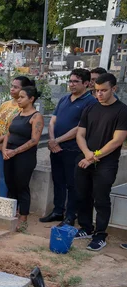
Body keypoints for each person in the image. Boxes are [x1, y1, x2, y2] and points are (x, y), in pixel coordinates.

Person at [74, 73, 127, 251]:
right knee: (82, 195)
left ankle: (100, 234)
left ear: (114, 89)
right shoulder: (90, 108)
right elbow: (80, 134)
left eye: (104, 90)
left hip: (106, 163)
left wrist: (93, 156)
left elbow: (117, 140)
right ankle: (86, 228)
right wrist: (87, 154)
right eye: (97, 91)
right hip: (85, 158)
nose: (99, 94)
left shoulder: (122, 111)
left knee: (101, 199)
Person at [41, 69, 97, 226]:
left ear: (86, 83)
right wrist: (52, 140)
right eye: (70, 81)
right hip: (56, 148)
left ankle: (70, 215)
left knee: (72, 184)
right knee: (57, 180)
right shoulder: (64, 99)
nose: (71, 84)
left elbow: (80, 128)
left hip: (73, 149)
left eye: (75, 82)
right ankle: (58, 210)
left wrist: (57, 140)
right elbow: (53, 121)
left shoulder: (90, 102)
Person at [2, 86, 44, 232]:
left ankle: (23, 216)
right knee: (10, 183)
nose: (18, 99)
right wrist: (4, 150)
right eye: (18, 97)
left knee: (22, 185)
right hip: (9, 154)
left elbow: (34, 140)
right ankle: (10, 212)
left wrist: (15, 151)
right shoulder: (17, 114)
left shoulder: (36, 117)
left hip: (24, 156)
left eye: (22, 97)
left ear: (31, 99)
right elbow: (8, 134)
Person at [0, 76, 33, 198]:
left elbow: (16, 129)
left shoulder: (23, 108)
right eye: (12, 86)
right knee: (3, 175)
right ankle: (2, 201)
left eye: (16, 87)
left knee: (14, 177)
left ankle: (13, 204)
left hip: (12, 145)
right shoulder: (5, 104)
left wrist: (2, 139)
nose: (12, 89)